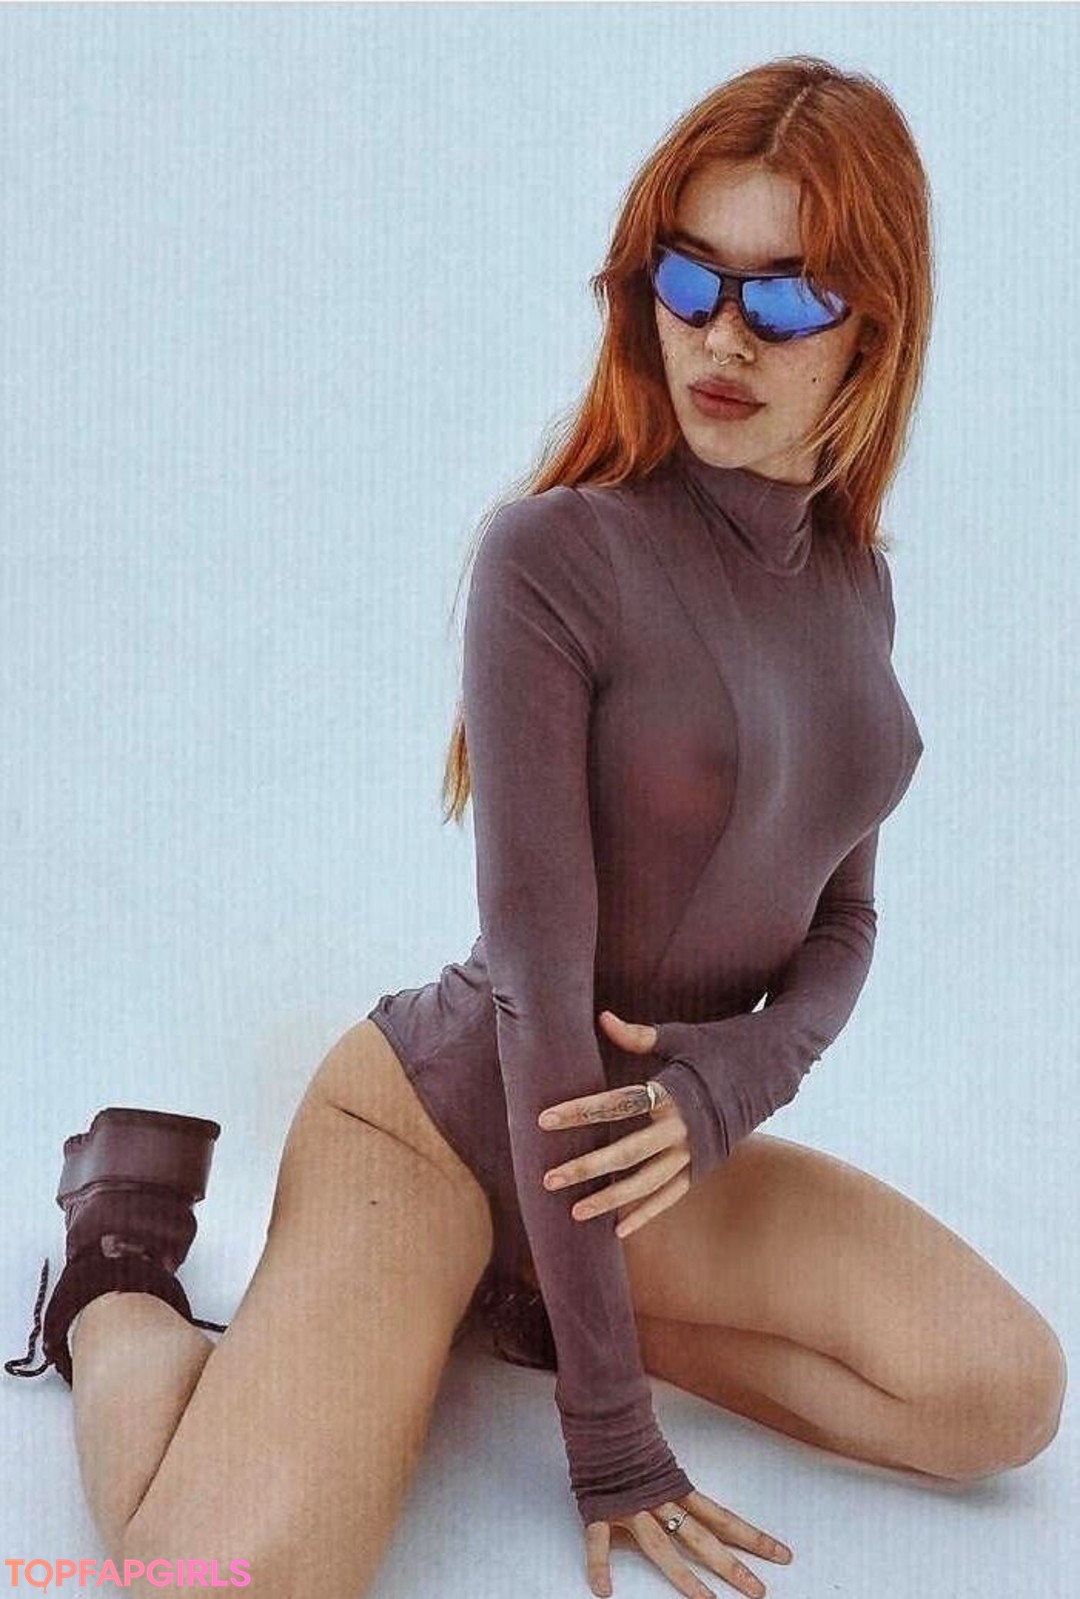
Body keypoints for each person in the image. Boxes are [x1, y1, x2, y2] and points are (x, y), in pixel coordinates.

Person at [6, 52, 1066, 1599]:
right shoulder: (555, 559)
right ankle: (114, 1267)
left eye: (786, 298)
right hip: (445, 1126)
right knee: (229, 1582)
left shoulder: (856, 592)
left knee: (999, 1396)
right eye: (688, 278)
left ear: (874, 329)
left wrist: (729, 1083)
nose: (722, 334)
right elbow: (539, 986)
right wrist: (611, 1428)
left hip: (638, 1157)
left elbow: (846, 921)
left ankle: (507, 1310)